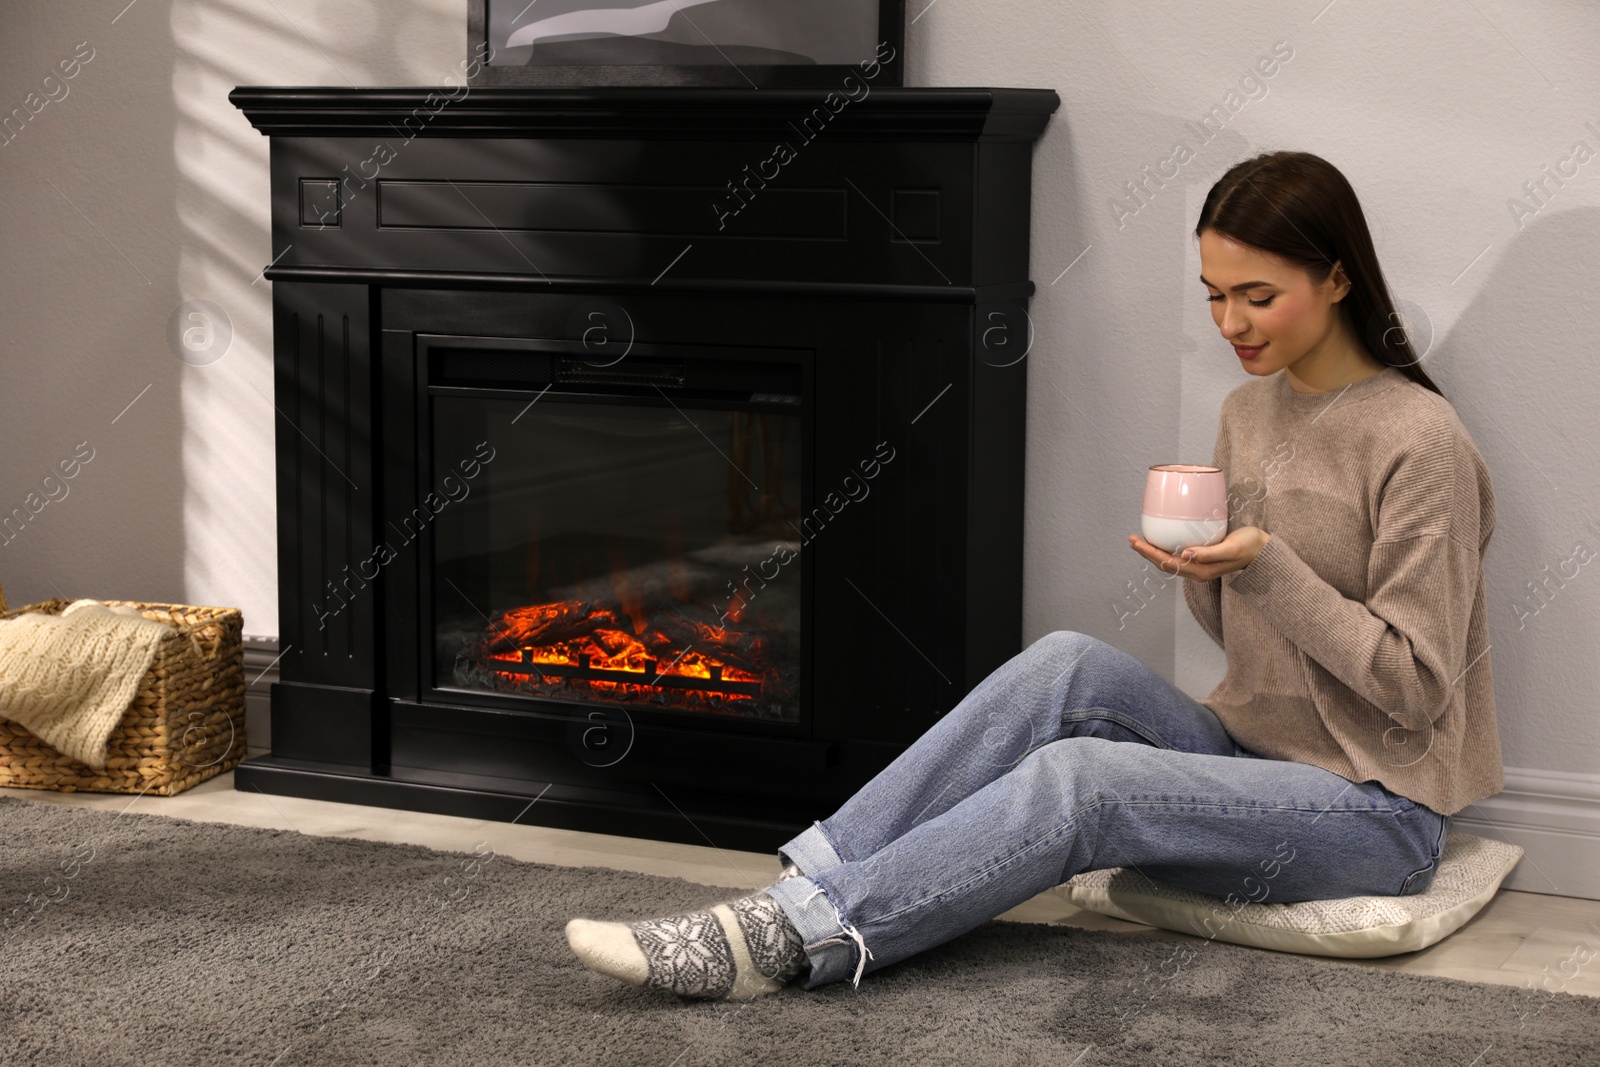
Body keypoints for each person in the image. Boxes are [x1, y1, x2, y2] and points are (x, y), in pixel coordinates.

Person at [564, 150, 1503, 1000]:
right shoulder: (1246, 412)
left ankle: (794, 940)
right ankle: (801, 883)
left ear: (1338, 276)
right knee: (1064, 663)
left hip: (1375, 808)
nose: (1230, 323)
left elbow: (1417, 691)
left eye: (1257, 296)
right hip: (1254, 757)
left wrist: (1266, 564)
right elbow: (1256, 649)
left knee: (1083, 781)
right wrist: (1207, 572)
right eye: (1214, 295)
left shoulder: (1422, 442)